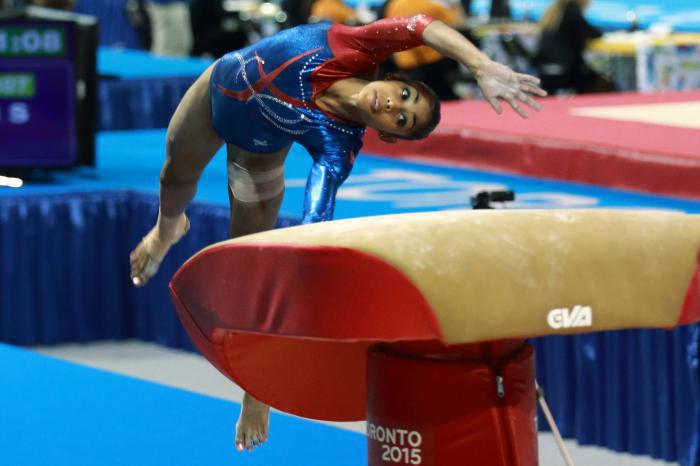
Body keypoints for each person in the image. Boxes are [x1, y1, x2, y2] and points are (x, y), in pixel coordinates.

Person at [129, 14, 545, 452]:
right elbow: (422, 26)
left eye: (402, 120)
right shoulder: (352, 47)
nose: (394, 107)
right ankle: (166, 230)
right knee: (175, 175)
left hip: (256, 154)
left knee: (249, 270)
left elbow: (315, 217)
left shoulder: (339, 143)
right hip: (217, 84)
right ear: (395, 79)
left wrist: (306, 253)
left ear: (388, 136)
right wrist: (480, 65)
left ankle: (256, 392)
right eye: (404, 95)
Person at [534, 0, 612, 94]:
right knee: (603, 81)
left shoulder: (553, 11)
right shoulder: (571, 10)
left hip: (543, 69)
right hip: (564, 70)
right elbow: (594, 33)